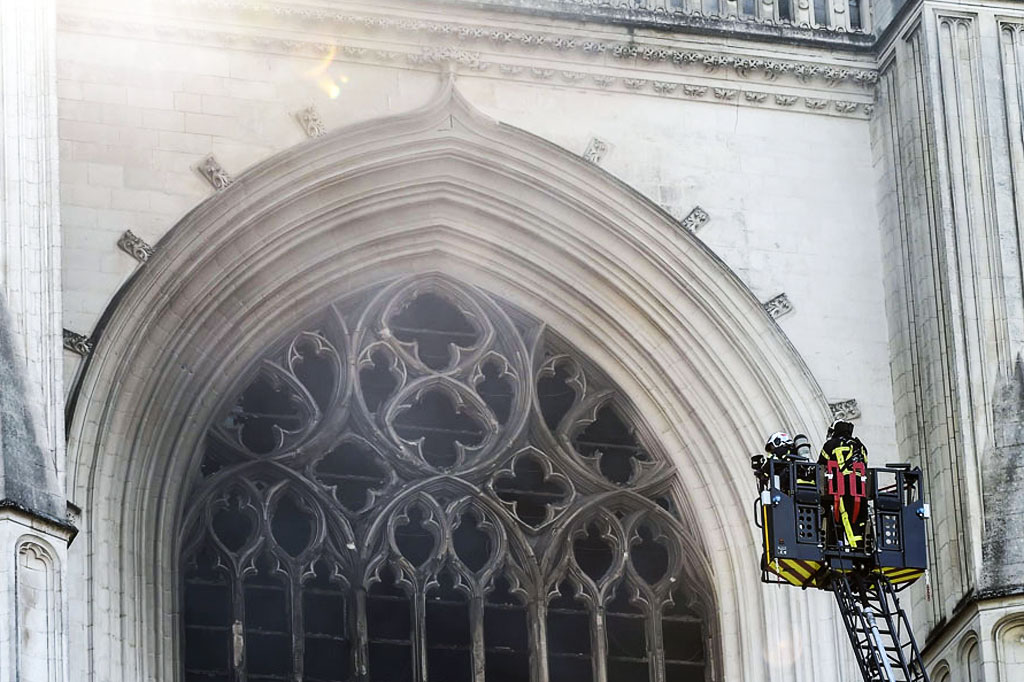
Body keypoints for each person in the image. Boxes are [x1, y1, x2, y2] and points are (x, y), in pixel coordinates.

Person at [819, 419, 868, 550]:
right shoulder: (860, 446)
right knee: (860, 520)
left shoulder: (831, 444)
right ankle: (864, 544)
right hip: (861, 487)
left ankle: (856, 547)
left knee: (846, 517)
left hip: (844, 487)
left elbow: (821, 466)